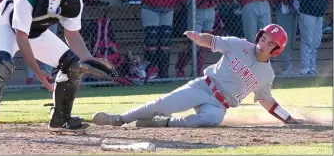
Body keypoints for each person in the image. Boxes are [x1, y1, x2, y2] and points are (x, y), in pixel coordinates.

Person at [0, 0, 117, 139]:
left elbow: (72, 35)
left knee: (73, 65)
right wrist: (39, 73)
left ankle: (61, 119)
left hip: (37, 32)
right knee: (1, 65)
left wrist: (89, 59)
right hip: (7, 27)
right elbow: (21, 37)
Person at [92, 24, 305, 128]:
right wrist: (197, 37)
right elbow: (212, 40)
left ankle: (162, 124)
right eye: (264, 37)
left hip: (220, 105)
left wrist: (288, 119)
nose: (263, 43)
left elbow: (266, 100)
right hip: (203, 87)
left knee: (209, 120)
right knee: (163, 103)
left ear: (276, 50)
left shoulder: (267, 74)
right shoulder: (239, 44)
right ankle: (119, 119)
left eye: (270, 43)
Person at [19, 0, 57, 85]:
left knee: (51, 41)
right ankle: (31, 75)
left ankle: (48, 73)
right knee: (30, 41)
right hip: (33, 5)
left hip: (52, 5)